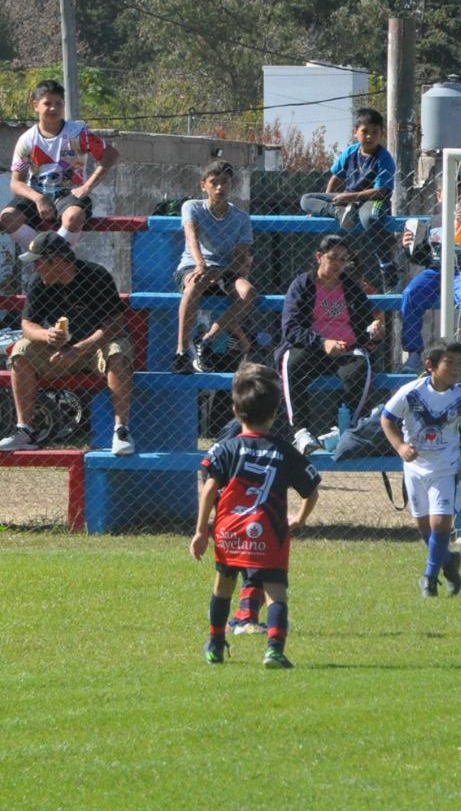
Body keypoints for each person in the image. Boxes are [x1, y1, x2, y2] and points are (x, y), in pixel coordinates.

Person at [189, 363, 320, 668]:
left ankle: (216, 644)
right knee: (276, 593)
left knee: (222, 587)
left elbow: (209, 489)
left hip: (229, 529)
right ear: (275, 412)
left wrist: (200, 531)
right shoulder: (286, 451)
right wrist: (299, 518)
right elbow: (312, 491)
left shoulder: (226, 448)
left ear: (235, 410)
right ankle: (274, 649)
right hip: (268, 530)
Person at [0, 232, 134, 455]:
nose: (35, 268)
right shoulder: (39, 282)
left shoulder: (95, 276)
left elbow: (116, 323)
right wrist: (46, 335)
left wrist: (80, 349)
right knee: (21, 350)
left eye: (38, 262)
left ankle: (121, 430)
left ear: (55, 259)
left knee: (117, 351)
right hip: (59, 352)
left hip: (95, 348)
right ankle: (25, 430)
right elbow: (27, 324)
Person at [381, 339, 461, 597]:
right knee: (424, 527)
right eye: (450, 363)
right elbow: (387, 419)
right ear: (430, 365)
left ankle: (429, 578)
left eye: (460, 364)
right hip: (415, 469)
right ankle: (449, 562)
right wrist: (400, 446)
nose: (457, 369)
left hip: (445, 468)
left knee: (440, 522)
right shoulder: (411, 392)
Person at [278, 234, 385, 455]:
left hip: (346, 349)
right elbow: (290, 328)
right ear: (319, 257)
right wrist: (323, 342)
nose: (338, 264)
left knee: (361, 367)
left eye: (343, 259)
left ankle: (344, 431)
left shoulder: (351, 288)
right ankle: (300, 431)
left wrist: (374, 330)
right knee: (291, 361)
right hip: (312, 348)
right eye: (333, 258)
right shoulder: (303, 285)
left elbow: (365, 325)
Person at [1, 79, 119, 252]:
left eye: (59, 104)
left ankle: (58, 257)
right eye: (47, 103)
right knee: (6, 217)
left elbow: (111, 155)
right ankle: (43, 254)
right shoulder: (26, 140)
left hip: (68, 193)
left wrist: (86, 187)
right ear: (35, 105)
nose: (53, 108)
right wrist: (38, 198)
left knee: (74, 218)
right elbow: (16, 183)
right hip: (37, 194)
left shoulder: (78, 133)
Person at [398, 175, 461, 370]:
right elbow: (423, 256)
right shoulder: (433, 222)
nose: (455, 199)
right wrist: (407, 247)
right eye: (450, 194)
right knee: (410, 294)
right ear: (439, 197)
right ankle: (413, 353)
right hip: (436, 271)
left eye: (459, 194)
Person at [172, 159, 256, 374]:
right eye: (214, 182)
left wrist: (221, 273)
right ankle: (182, 352)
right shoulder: (192, 207)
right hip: (194, 265)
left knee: (248, 292)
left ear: (231, 185)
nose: (220, 187)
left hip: (224, 270)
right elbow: (191, 237)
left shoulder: (241, 218)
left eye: (225, 182)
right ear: (204, 185)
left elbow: (241, 257)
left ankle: (208, 338)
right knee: (194, 284)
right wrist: (201, 265)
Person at [299, 107, 394, 232]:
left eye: (375, 132)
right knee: (306, 200)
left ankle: (381, 250)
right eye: (365, 131)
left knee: (370, 218)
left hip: (371, 201)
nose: (370, 136)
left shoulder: (384, 158)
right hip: (346, 201)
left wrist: (350, 197)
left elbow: (380, 191)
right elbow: (335, 178)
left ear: (382, 133)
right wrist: (330, 203)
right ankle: (338, 212)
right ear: (355, 132)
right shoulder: (350, 152)